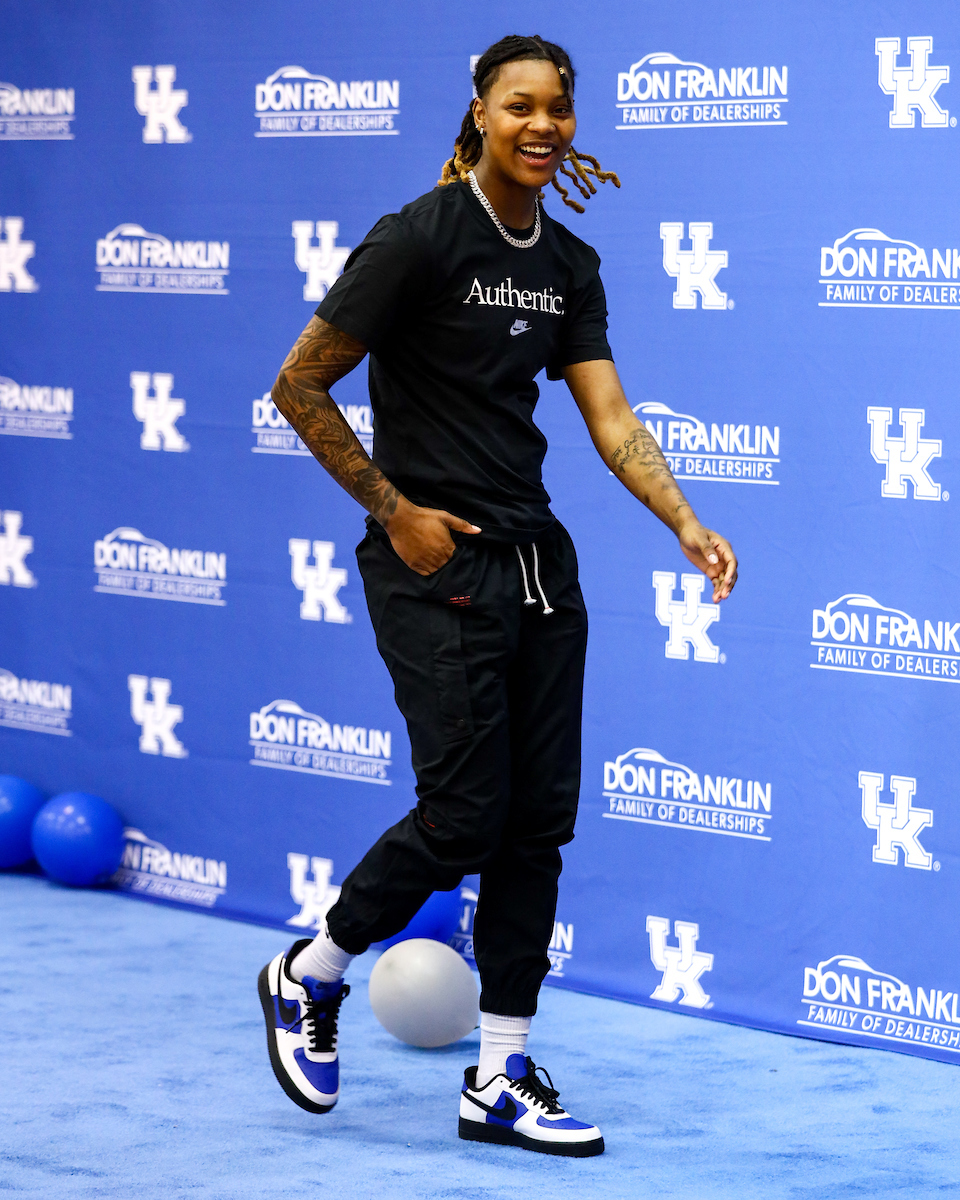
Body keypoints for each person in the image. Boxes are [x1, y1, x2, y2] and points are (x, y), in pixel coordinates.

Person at [257, 34, 737, 1158]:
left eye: (557, 108)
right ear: (480, 111)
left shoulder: (568, 260)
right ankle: (311, 970)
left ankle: (500, 1076)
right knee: (466, 812)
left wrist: (683, 519)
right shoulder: (417, 238)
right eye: (519, 105)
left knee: (535, 830)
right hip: (437, 569)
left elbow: (610, 419)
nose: (541, 125)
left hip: (538, 572)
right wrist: (395, 511)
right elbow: (299, 383)